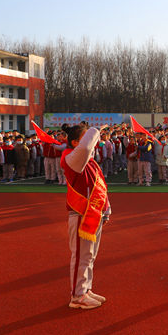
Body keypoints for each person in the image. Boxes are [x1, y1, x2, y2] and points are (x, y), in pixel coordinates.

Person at [60, 123, 111, 310]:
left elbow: (101, 187)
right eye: (86, 136)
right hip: (81, 213)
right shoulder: (70, 158)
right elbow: (87, 146)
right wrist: (95, 130)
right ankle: (77, 296)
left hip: (93, 214)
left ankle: (86, 289)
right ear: (74, 143)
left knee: (89, 255)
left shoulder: (89, 162)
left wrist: (106, 210)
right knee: (81, 255)